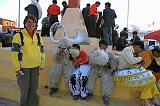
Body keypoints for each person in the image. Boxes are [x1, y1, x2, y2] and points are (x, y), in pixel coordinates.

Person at [11, 15, 45, 106]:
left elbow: (42, 51)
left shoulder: (38, 36)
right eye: (29, 22)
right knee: (24, 91)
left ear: (36, 24)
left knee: (33, 90)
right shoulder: (18, 36)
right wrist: (17, 67)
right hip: (23, 68)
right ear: (25, 23)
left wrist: (42, 63)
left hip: (35, 67)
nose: (31, 24)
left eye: (33, 22)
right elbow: (14, 53)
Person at [113, 41, 159, 106]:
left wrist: (139, 61)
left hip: (127, 71)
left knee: (150, 78)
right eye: (140, 49)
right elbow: (131, 61)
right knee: (149, 78)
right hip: (122, 73)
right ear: (136, 46)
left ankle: (152, 98)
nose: (140, 51)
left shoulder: (130, 51)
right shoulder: (127, 49)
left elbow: (132, 61)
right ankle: (148, 99)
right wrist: (141, 58)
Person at [87, 40, 118, 105]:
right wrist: (95, 61)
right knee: (91, 76)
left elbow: (114, 63)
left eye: (104, 45)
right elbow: (91, 61)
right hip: (96, 68)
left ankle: (105, 96)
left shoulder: (110, 54)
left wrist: (108, 65)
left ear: (106, 46)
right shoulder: (96, 52)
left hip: (105, 70)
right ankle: (90, 92)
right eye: (101, 45)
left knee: (106, 79)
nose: (102, 47)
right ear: (99, 46)